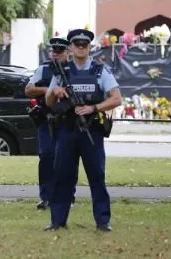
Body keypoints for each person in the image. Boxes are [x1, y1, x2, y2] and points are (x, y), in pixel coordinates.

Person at [45, 29, 122, 232]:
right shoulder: (61, 71)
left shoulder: (100, 70)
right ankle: (57, 221)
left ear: (89, 47)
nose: (80, 48)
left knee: (97, 175)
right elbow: (48, 102)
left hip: (92, 130)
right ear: (70, 47)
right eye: (77, 44)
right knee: (63, 176)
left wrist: (93, 108)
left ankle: (103, 221)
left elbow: (116, 98)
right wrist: (55, 91)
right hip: (67, 130)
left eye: (84, 45)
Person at [25, 37, 77, 210]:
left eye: (59, 51)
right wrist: (49, 90)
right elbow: (28, 90)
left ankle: (67, 195)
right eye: (53, 51)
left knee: (67, 158)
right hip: (47, 120)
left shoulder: (75, 69)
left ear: (68, 52)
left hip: (68, 120)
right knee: (46, 157)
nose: (55, 54)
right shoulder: (44, 69)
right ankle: (45, 196)